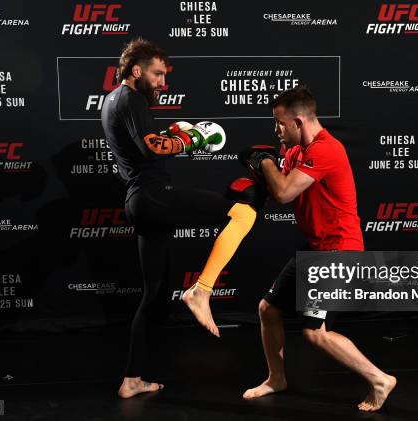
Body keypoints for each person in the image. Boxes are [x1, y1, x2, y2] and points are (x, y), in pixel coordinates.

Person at [101, 38, 264, 398]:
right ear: (136, 70)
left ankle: (132, 379)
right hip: (153, 196)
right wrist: (191, 138)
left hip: (140, 202)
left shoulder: (112, 100)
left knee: (155, 294)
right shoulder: (130, 98)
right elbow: (152, 148)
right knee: (242, 211)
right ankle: (200, 292)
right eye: (157, 74)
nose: (162, 82)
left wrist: (174, 134)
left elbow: (147, 145)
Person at [241, 87, 397, 412]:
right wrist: (256, 175)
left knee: (315, 333)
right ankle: (276, 379)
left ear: (298, 121)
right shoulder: (298, 152)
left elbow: (283, 192)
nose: (276, 130)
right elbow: (276, 189)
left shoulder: (327, 150)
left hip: (338, 251)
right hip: (316, 248)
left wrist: (266, 161)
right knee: (268, 310)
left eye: (279, 124)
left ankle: (380, 379)